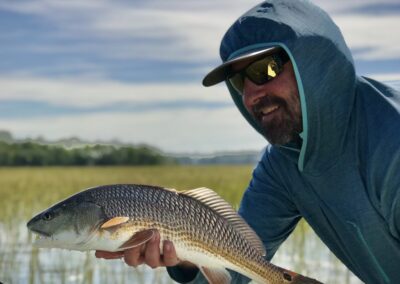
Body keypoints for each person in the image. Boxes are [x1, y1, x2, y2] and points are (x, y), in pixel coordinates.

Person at [96, 0, 400, 283]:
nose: (252, 95)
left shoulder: (391, 143)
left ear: (313, 62)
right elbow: (238, 266)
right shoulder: (283, 163)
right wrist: (188, 256)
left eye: (265, 69)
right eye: (240, 80)